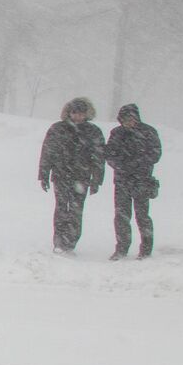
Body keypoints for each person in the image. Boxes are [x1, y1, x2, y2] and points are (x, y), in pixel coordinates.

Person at [38, 97, 106, 254]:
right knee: (61, 209)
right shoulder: (57, 129)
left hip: (82, 178)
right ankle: (59, 242)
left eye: (81, 113)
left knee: (76, 211)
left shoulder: (93, 131)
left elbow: (99, 157)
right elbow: (47, 152)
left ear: (86, 114)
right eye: (75, 113)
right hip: (61, 176)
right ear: (69, 113)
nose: (78, 116)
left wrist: (97, 180)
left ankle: (71, 242)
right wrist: (44, 174)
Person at [104, 103, 162, 260]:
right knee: (122, 216)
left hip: (142, 180)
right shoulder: (116, 133)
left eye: (131, 118)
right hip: (122, 181)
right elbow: (109, 154)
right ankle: (122, 248)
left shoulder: (148, 132)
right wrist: (121, 166)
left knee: (142, 216)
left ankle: (146, 249)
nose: (129, 122)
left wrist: (138, 164)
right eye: (125, 119)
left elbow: (155, 154)